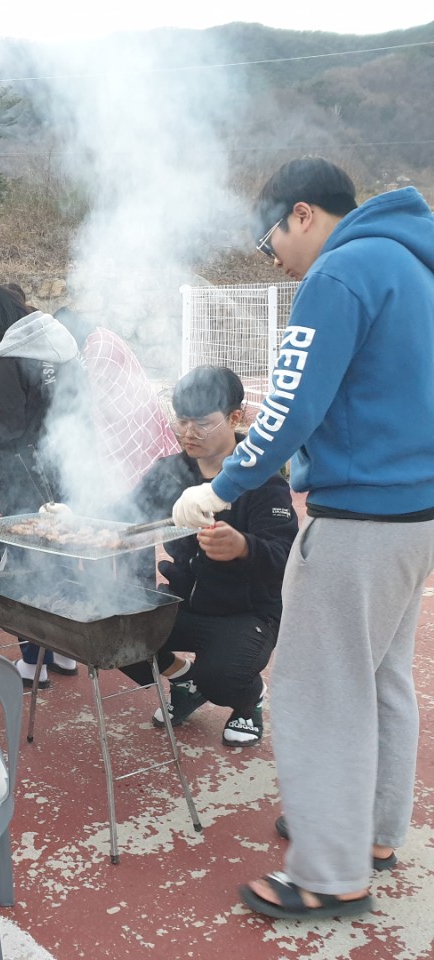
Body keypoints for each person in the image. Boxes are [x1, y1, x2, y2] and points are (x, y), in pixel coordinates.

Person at [171, 157, 434, 920]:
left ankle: (328, 870)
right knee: (381, 678)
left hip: (359, 518)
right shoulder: (413, 263)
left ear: (303, 214)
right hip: (416, 515)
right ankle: (369, 832)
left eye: (271, 241)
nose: (274, 259)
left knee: (319, 689)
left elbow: (288, 405)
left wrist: (219, 488)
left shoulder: (340, 274)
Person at [118, 366, 297, 747]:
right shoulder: (170, 472)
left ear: (235, 417)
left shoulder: (262, 479)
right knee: (113, 631)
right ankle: (185, 681)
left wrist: (244, 547)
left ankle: (247, 699)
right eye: (181, 421)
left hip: (246, 612)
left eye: (202, 423)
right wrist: (75, 517)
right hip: (184, 600)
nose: (188, 433)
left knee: (222, 677)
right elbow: (126, 517)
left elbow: (286, 558)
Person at [0, 282, 83, 688]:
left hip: (22, 477)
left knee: (26, 567)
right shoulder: (60, 343)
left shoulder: (8, 357)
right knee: (61, 555)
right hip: (65, 469)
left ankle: (33, 661)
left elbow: (4, 429)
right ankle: (65, 649)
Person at [55, 307, 179, 493]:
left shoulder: (98, 346)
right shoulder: (97, 338)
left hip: (127, 416)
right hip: (133, 411)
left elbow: (98, 400)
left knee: (134, 480)